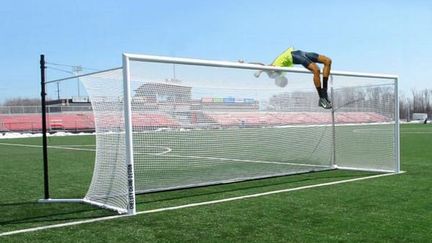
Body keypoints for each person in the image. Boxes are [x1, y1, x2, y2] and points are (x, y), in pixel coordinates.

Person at [255, 47, 333, 109]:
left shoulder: (272, 74)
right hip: (295, 56)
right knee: (316, 70)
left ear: (278, 82)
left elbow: (263, 65)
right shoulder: (281, 72)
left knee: (328, 61)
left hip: (299, 53)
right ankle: (322, 98)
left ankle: (324, 94)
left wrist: (259, 71)